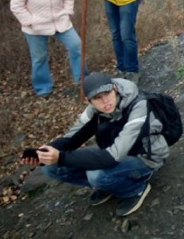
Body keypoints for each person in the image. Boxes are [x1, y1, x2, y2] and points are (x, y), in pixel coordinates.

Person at [21, 72, 169, 217]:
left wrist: (61, 157)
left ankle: (135, 188)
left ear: (115, 89)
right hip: (116, 153)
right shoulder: (94, 110)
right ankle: (111, 184)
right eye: (97, 98)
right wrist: (43, 153)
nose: (105, 101)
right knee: (50, 168)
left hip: (146, 158)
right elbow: (71, 139)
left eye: (107, 94)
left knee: (96, 174)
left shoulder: (138, 105)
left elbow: (112, 156)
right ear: (89, 101)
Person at [10, 0, 84, 98]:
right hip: (36, 27)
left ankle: (82, 79)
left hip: (61, 22)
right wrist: (30, 22)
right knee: (40, 57)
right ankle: (43, 88)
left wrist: (67, 11)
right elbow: (16, 5)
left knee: (77, 46)